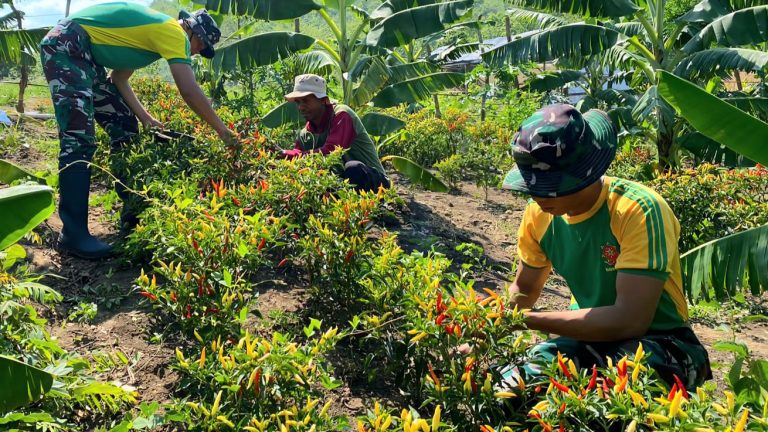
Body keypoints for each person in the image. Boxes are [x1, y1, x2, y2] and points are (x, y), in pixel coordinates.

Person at [500, 104, 711, 390]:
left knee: (622, 384)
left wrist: (530, 321)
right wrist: (486, 331)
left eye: (547, 186)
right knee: (513, 384)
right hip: (587, 338)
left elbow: (630, 320)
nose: (535, 195)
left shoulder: (637, 210)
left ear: (583, 173)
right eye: (531, 185)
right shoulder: (538, 214)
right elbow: (524, 289)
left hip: (662, 343)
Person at [41, 2, 236, 259]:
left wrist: (145, 117)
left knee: (124, 123)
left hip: (84, 55)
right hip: (68, 46)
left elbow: (118, 78)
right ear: (194, 33)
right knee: (78, 139)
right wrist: (223, 132)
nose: (197, 53)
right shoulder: (174, 33)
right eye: (202, 47)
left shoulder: (151, 39)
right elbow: (188, 90)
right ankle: (74, 235)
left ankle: (132, 212)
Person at [280, 74, 389, 192]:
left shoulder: (342, 115)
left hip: (375, 183)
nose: (301, 107)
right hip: (343, 185)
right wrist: (280, 155)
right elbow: (298, 154)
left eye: (305, 100)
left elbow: (331, 152)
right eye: (298, 102)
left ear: (323, 100)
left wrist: (288, 154)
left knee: (353, 168)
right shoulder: (305, 133)